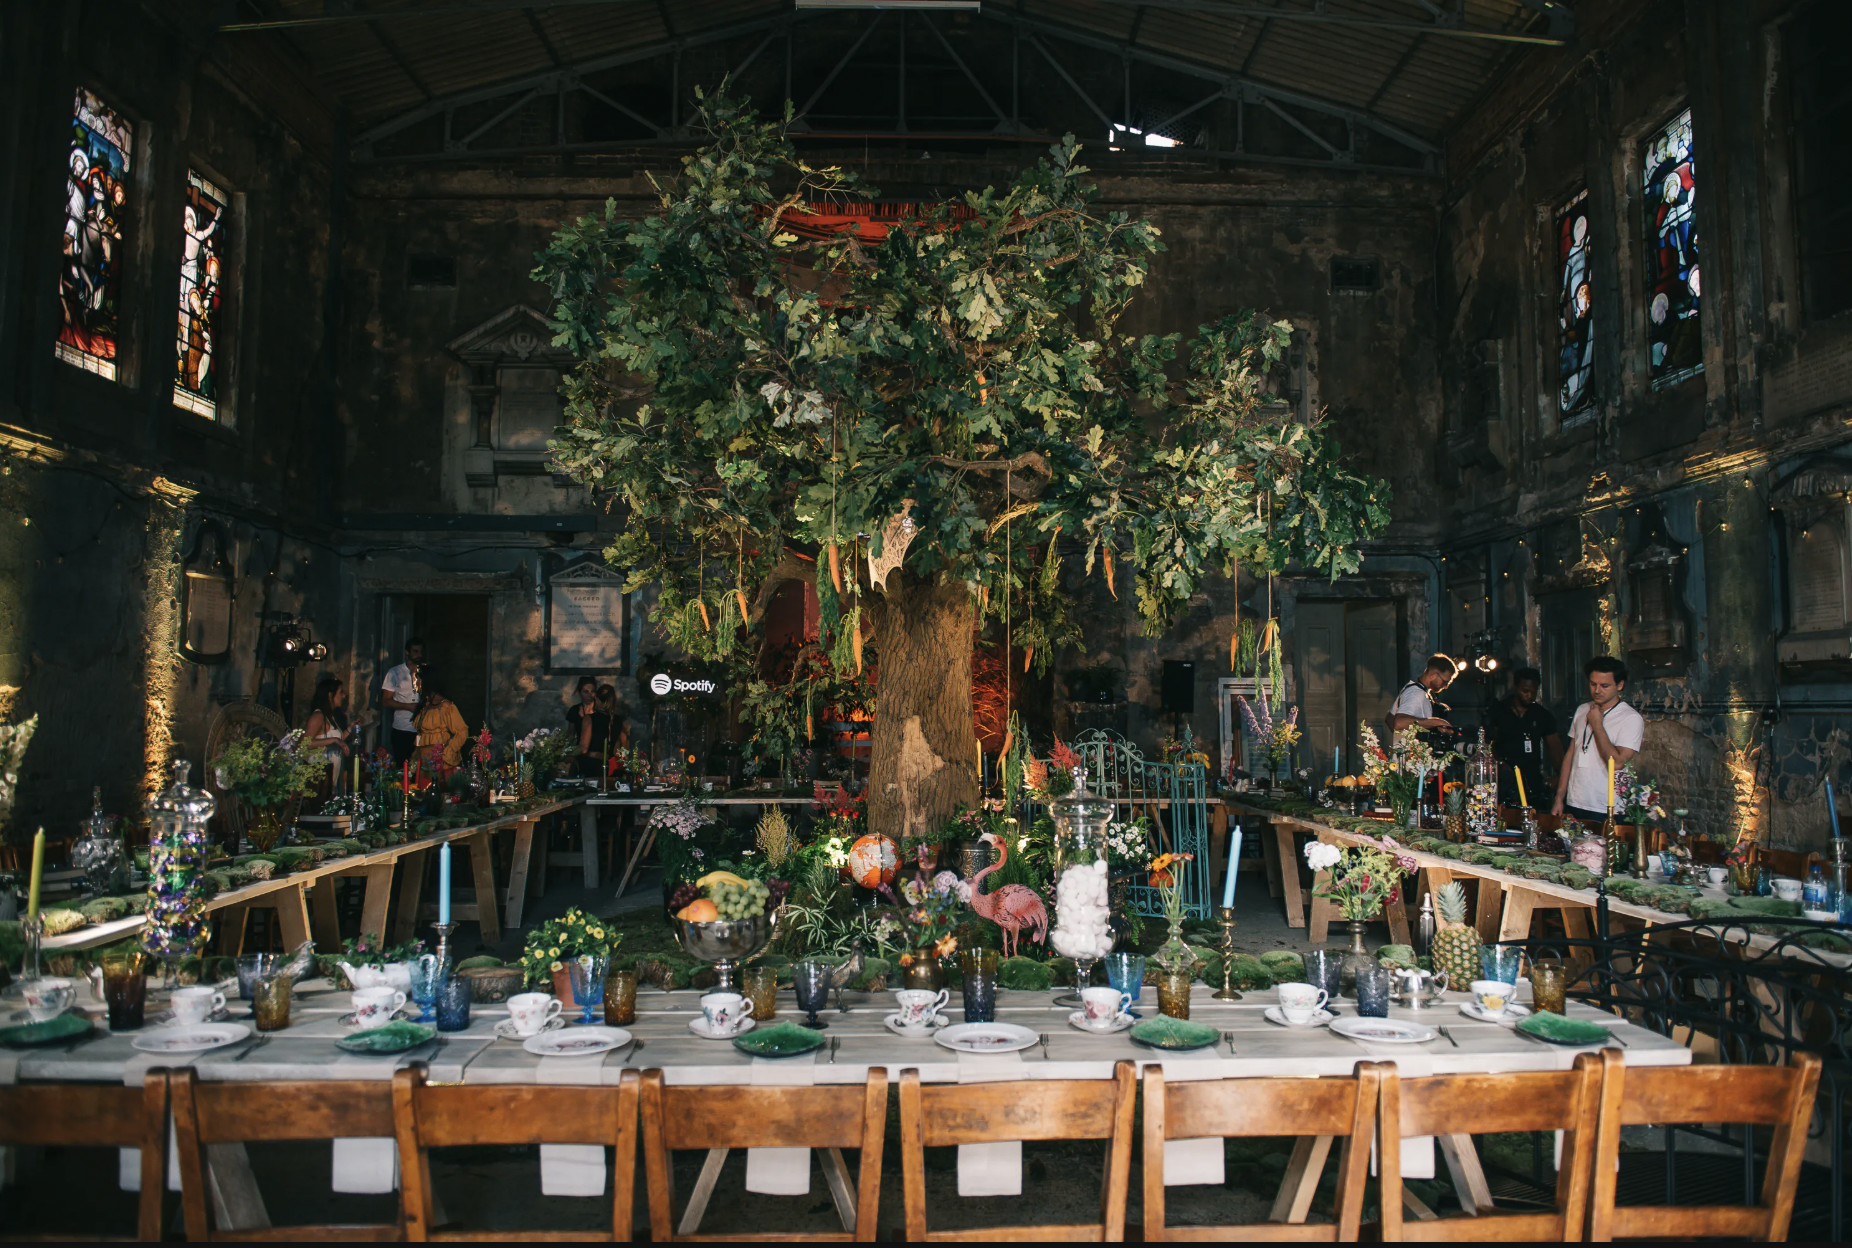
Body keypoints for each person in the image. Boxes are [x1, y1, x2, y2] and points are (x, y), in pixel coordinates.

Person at [1552, 656, 1644, 824]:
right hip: (1575, 801)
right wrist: (1560, 797)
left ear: (1620, 685)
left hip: (1607, 806)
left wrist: (1596, 723)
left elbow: (1616, 763)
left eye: (1605, 686)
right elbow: (1571, 754)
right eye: (1593, 684)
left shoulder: (1631, 718)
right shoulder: (1582, 710)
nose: (1597, 691)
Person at [1487, 667, 1563, 808]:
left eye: (1533, 692)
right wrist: (1498, 764)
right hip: (1504, 775)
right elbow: (1488, 742)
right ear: (1516, 687)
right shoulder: (1499, 710)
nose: (1529, 695)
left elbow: (1555, 749)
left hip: (1531, 776)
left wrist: (1560, 776)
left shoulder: (1542, 716)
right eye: (1525, 691)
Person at [1389, 655, 1461, 739]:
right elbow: (1398, 723)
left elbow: (1389, 719)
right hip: (1411, 752)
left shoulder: (1412, 688)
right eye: (1445, 682)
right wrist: (1435, 722)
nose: (1446, 687)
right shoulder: (1416, 694)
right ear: (1432, 675)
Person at [379, 637, 424, 765]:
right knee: (402, 766)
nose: (419, 655)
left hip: (424, 729)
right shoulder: (395, 673)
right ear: (407, 652)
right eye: (415, 651)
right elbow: (385, 701)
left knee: (422, 767)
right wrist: (407, 706)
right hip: (402, 728)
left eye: (420, 651)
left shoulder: (425, 672)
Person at [415, 672, 471, 770]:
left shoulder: (446, 707)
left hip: (441, 760)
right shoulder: (426, 705)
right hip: (424, 759)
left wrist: (448, 752)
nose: (416, 684)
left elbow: (462, 731)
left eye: (419, 681)